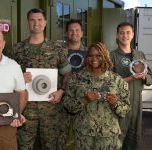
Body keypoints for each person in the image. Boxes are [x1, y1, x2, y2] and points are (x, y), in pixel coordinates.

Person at [7, 8, 71, 150]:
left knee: (52, 146)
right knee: (23, 146)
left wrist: (61, 91)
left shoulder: (57, 49)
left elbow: (67, 73)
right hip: (25, 109)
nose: (36, 23)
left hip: (51, 109)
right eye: (32, 20)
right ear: (28, 23)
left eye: (40, 19)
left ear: (45, 22)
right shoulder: (16, 49)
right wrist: (18, 78)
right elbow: (6, 77)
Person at [63, 42, 130, 149]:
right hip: (83, 135)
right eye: (90, 55)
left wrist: (116, 104)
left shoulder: (117, 80)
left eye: (98, 55)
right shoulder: (76, 79)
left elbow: (125, 110)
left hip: (108, 136)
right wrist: (84, 100)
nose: (94, 59)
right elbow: (67, 105)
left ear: (105, 56)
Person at [110, 22, 152, 150]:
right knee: (117, 138)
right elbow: (108, 84)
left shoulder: (140, 55)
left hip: (136, 104)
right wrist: (130, 78)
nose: (125, 35)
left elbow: (151, 79)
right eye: (121, 33)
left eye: (128, 32)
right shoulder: (111, 56)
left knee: (134, 138)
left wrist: (144, 76)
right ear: (117, 35)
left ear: (133, 35)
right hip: (118, 104)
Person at [58, 19, 88, 149]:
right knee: (60, 138)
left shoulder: (90, 54)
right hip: (61, 101)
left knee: (82, 139)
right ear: (66, 33)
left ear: (82, 33)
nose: (74, 33)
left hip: (83, 101)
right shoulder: (58, 52)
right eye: (71, 30)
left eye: (77, 30)